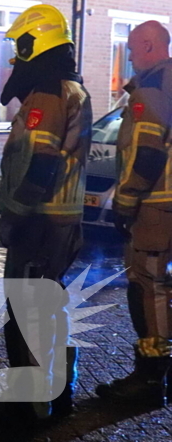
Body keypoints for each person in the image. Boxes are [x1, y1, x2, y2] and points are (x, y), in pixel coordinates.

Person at [0, 4, 92, 427]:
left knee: (27, 312)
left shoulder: (48, 93)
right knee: (48, 307)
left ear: (35, 43)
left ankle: (29, 406)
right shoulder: (69, 87)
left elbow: (41, 162)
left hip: (40, 221)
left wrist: (17, 214)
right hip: (59, 220)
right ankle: (57, 393)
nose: (15, 57)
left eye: (20, 46)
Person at [96, 20, 172, 405]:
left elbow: (148, 150)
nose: (128, 55)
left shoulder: (153, 86)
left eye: (131, 48)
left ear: (148, 45)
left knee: (148, 287)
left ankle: (150, 379)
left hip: (155, 206)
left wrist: (125, 201)